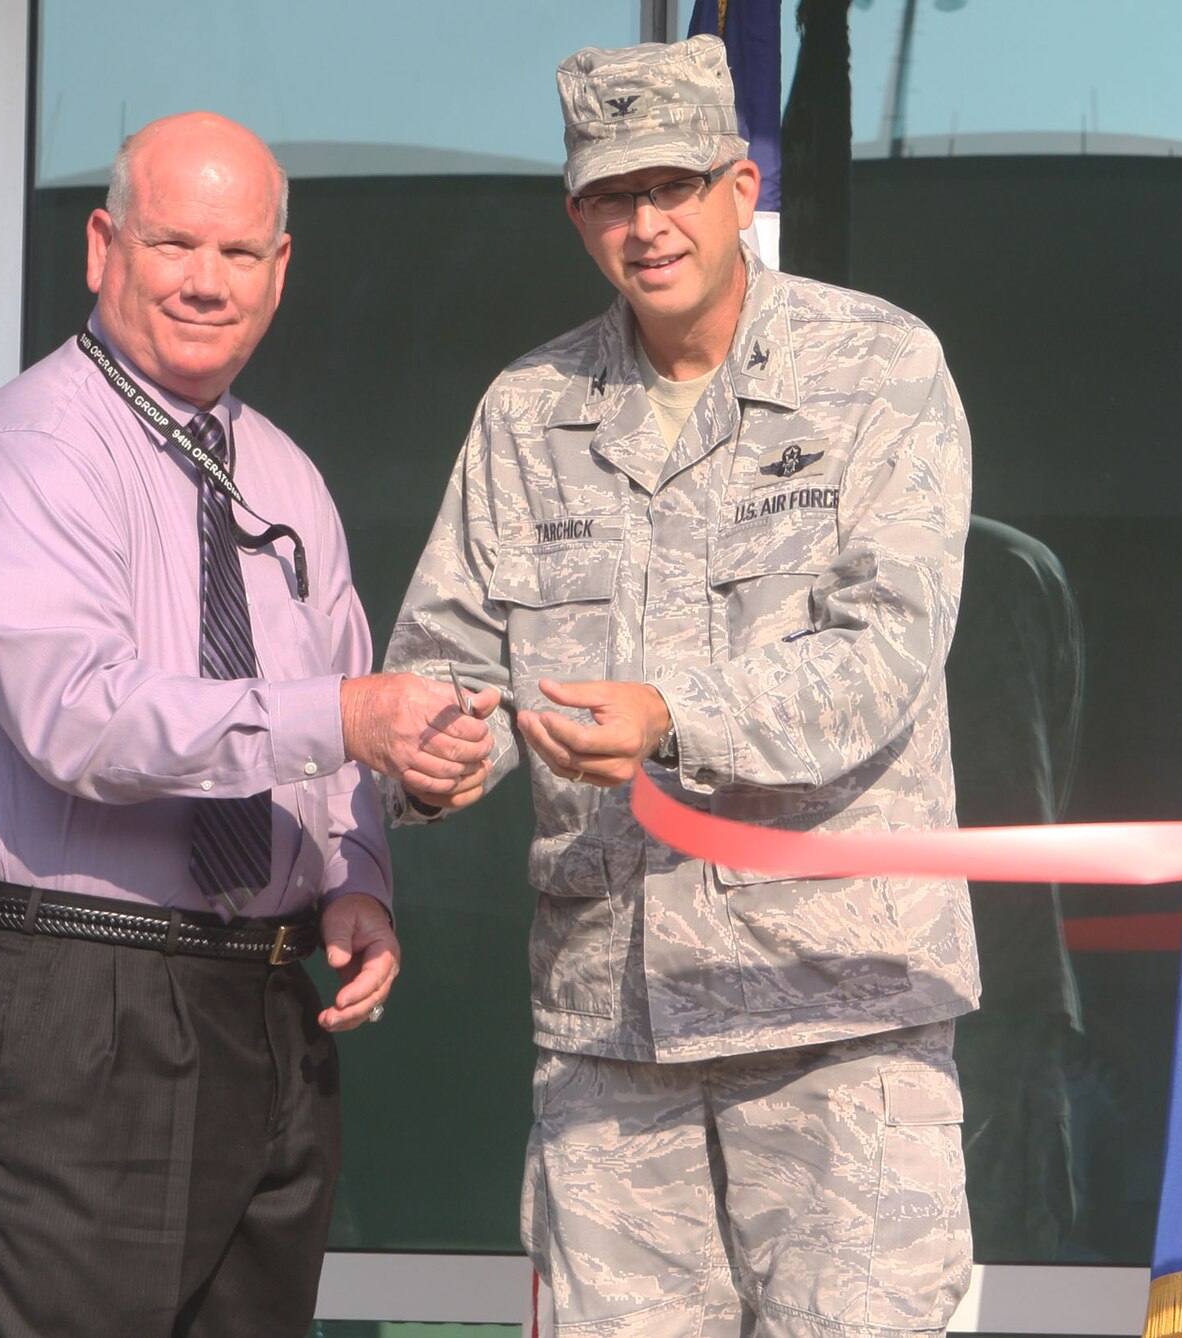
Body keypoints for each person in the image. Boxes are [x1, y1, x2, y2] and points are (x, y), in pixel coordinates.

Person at [381, 37, 978, 1337]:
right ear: (576, 213)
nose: (645, 226)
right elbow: (448, 664)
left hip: (840, 1015)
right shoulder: (526, 413)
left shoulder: (878, 372)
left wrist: (671, 716)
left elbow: (883, 654)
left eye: (674, 186)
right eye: (611, 195)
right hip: (616, 1035)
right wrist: (425, 758)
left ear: (738, 185)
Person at [0, 112, 492, 1338]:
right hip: (74, 994)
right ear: (101, 245)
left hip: (266, 1003)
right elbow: (78, 718)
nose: (205, 283)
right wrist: (346, 717)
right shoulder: (33, 450)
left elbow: (335, 731)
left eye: (238, 253)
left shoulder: (281, 473)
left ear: (281, 271)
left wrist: (355, 877)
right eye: (174, 244)